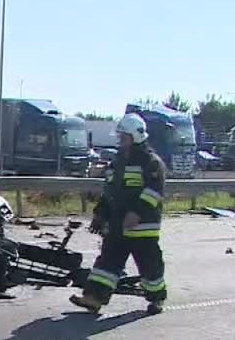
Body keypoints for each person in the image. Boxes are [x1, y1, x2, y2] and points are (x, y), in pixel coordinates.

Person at [70, 113, 168, 315]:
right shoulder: (118, 162)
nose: (120, 140)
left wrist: (137, 213)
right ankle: (93, 298)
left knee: (150, 266)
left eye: (124, 136)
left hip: (142, 228)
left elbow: (154, 191)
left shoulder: (151, 162)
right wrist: (101, 215)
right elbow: (110, 193)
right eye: (120, 136)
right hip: (117, 225)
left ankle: (157, 299)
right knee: (107, 263)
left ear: (136, 136)